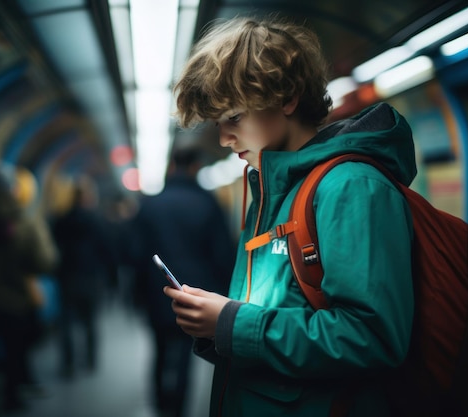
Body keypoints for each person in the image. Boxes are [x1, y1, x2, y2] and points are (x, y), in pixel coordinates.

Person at [163, 16, 416, 417]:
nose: (224, 138)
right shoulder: (270, 190)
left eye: (234, 117)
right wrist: (219, 325)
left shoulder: (351, 188)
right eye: (218, 123)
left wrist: (231, 323)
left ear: (286, 98)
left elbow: (371, 338)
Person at [133, 146, 236, 417]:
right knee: (184, 352)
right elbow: (222, 254)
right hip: (197, 295)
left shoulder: (150, 205)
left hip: (156, 293)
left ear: (171, 168)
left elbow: (135, 253)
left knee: (159, 348)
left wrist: (136, 294)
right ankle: (177, 408)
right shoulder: (208, 204)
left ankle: (158, 402)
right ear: (195, 168)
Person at [0, 165, 57, 416]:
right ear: (12, 190)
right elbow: (44, 261)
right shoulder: (23, 221)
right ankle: (12, 397)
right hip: (16, 300)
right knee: (16, 351)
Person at [50, 175, 118, 379]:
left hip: (67, 276)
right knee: (90, 321)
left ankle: (68, 364)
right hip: (91, 276)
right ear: (88, 198)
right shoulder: (97, 221)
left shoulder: (61, 220)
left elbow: (54, 248)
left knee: (67, 324)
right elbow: (107, 250)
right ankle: (90, 360)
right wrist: (112, 278)